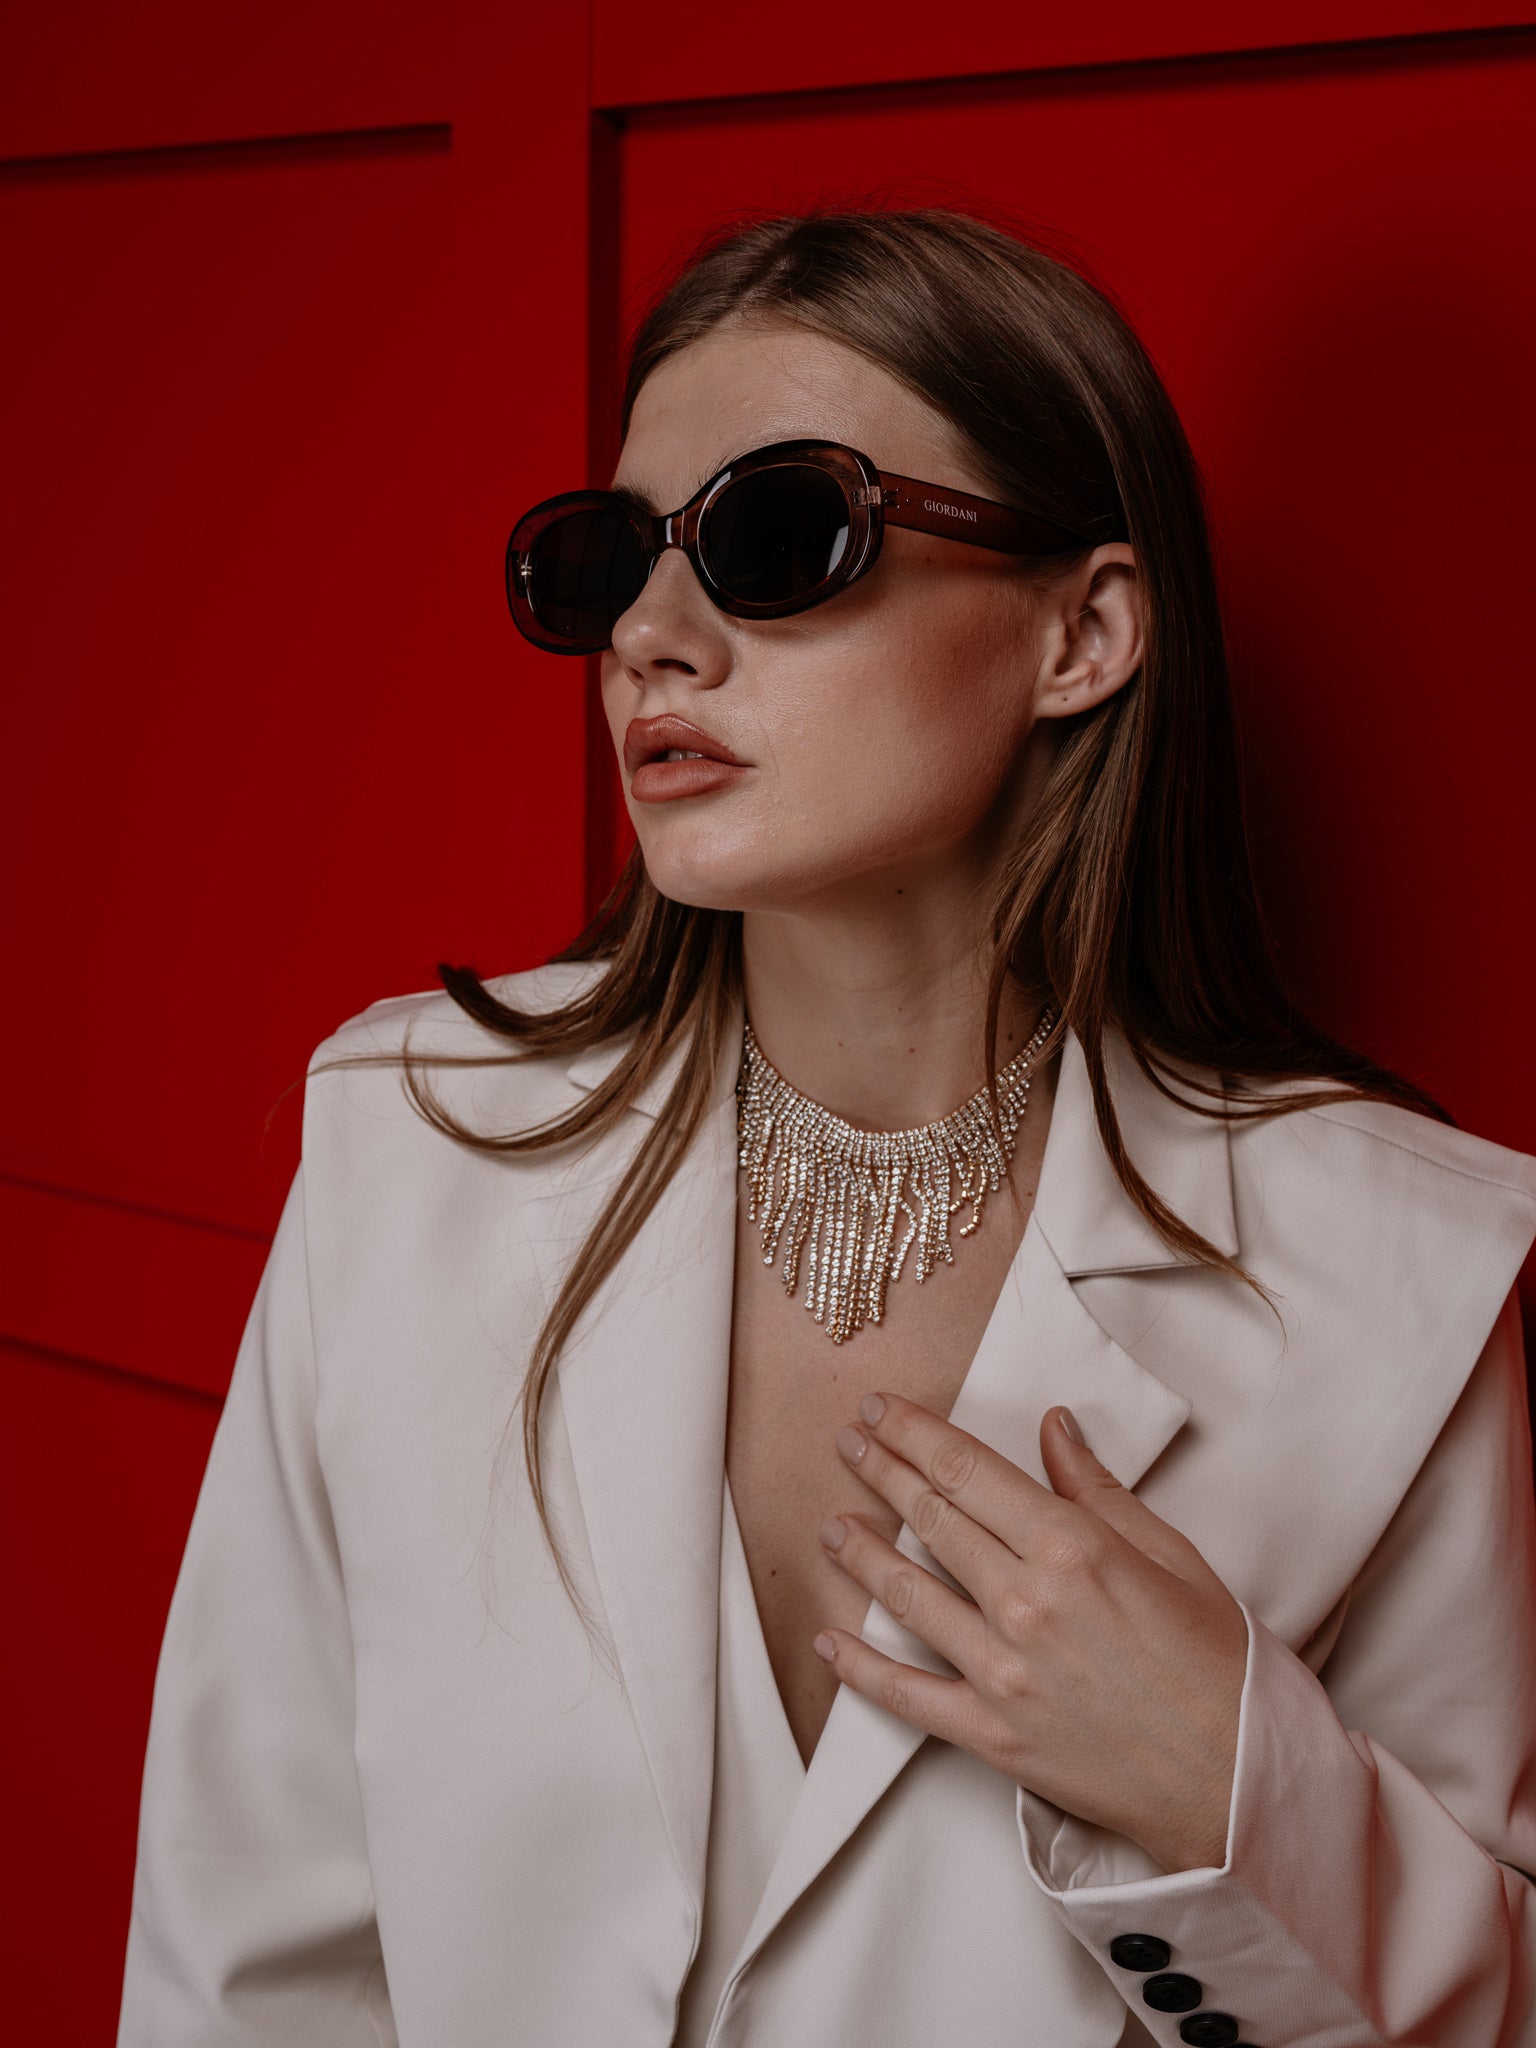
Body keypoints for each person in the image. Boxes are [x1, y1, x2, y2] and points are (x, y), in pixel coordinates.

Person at [116, 207, 1536, 2048]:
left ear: (1084, 630)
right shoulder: (408, 1152)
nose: (650, 638)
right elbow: (247, 1973)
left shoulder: (1404, 1275)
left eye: (780, 538)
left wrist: (1236, 1784)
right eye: (611, 561)